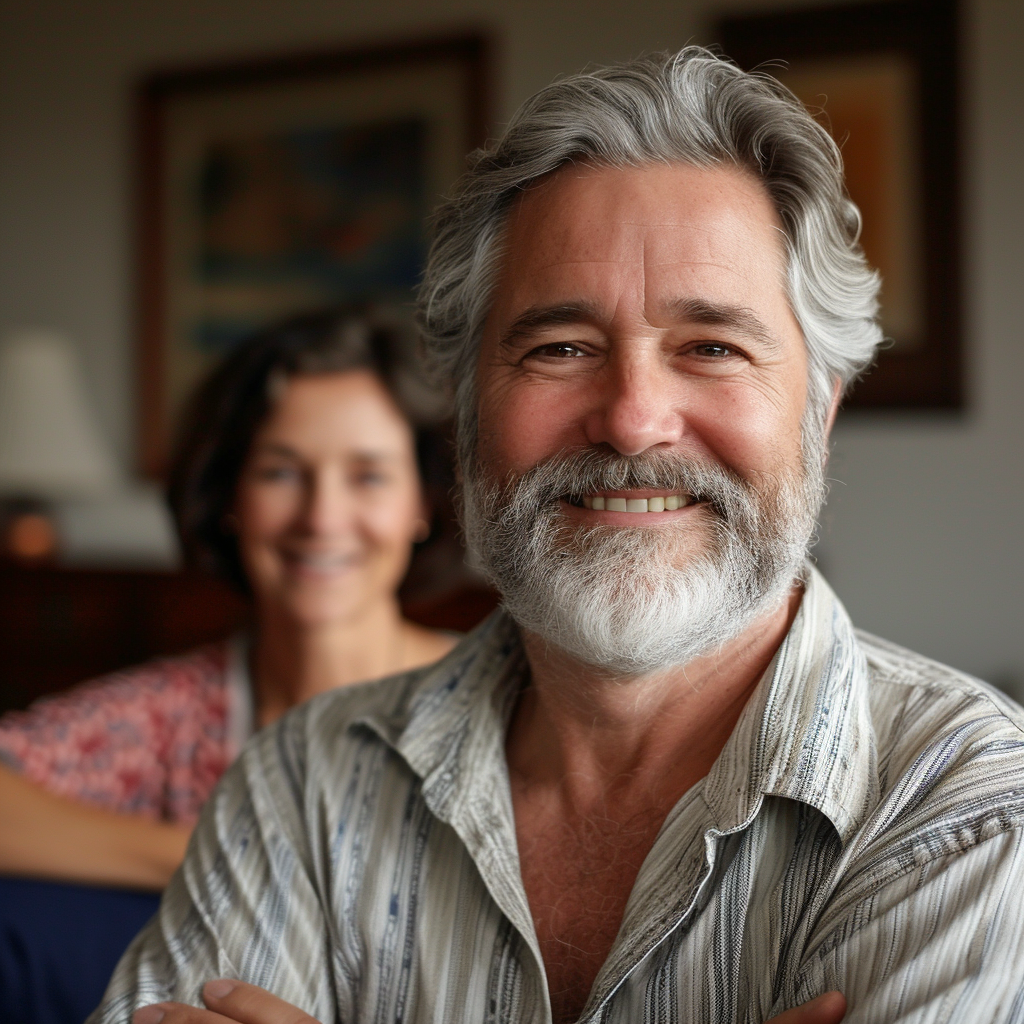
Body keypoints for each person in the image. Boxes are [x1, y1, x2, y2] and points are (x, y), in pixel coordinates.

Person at [94, 49, 1024, 1024]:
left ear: (816, 413)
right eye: (560, 348)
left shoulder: (971, 812)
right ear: (465, 414)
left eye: (711, 347)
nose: (630, 419)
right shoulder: (303, 783)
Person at [0, 308, 457, 1022]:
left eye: (368, 476)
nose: (322, 516)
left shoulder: (508, 698)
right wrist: (221, 854)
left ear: (423, 503)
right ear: (231, 501)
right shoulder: (177, 712)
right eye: (281, 471)